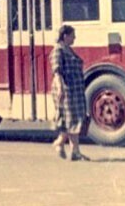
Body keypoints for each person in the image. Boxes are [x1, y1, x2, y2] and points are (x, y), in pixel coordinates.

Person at [50, 24, 90, 161]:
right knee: (71, 120)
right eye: (73, 35)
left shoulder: (68, 50)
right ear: (65, 36)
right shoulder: (58, 50)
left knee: (74, 120)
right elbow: (56, 71)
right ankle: (62, 144)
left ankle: (73, 151)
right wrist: (60, 88)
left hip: (75, 91)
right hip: (66, 91)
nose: (75, 38)